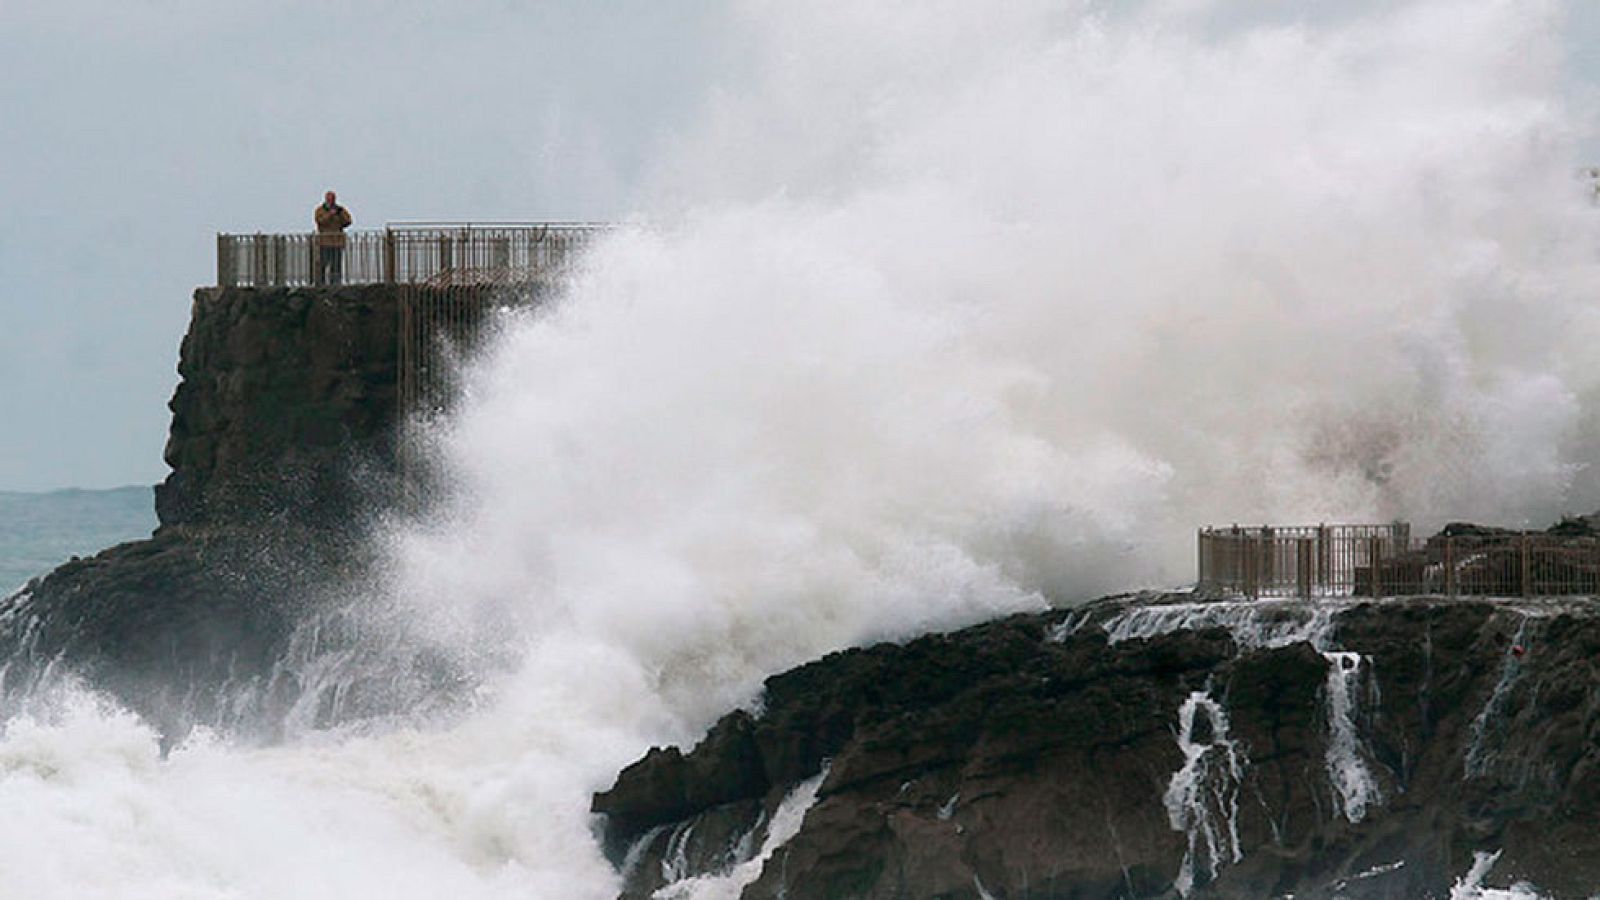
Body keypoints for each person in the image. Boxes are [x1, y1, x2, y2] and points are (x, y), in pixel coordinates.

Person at [314, 191, 353, 286]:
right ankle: (321, 282)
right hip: (324, 241)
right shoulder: (320, 210)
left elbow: (348, 221)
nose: (331, 201)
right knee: (323, 263)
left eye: (332, 198)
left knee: (336, 264)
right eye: (329, 198)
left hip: (337, 241)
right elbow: (320, 221)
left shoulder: (340, 209)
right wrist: (330, 214)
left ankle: (335, 282)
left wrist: (340, 214)